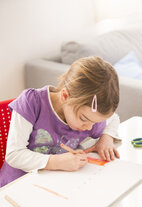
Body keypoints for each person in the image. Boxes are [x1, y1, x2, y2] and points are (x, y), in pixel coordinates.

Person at [0, 56, 121, 187]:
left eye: (95, 122)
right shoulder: (32, 103)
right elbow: (14, 155)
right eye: (83, 119)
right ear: (65, 96)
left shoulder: (89, 116)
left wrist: (106, 138)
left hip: (55, 186)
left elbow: (114, 118)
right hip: (15, 187)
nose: (89, 127)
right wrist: (55, 161)